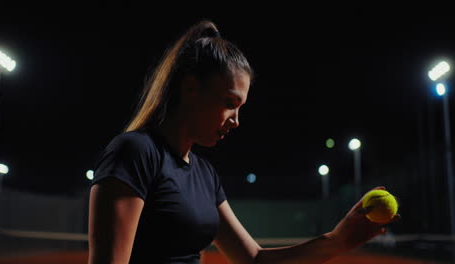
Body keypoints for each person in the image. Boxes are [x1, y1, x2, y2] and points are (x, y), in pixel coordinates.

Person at [87, 20, 400, 264]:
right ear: (190, 88)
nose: (236, 120)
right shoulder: (135, 152)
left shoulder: (205, 175)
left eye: (241, 108)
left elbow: (254, 259)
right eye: (229, 103)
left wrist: (337, 240)